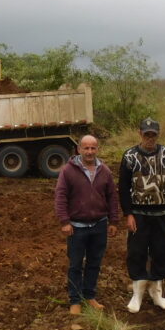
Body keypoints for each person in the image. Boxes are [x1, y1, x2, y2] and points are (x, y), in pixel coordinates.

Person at [119, 117, 165, 313]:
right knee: (136, 253)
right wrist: (128, 213)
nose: (150, 138)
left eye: (153, 134)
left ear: (158, 134)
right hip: (138, 214)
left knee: (162, 252)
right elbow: (123, 187)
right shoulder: (129, 156)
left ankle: (157, 294)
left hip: (163, 213)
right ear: (140, 134)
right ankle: (137, 295)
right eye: (147, 134)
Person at [55, 135, 121, 315]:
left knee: (94, 263)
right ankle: (75, 300)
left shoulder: (104, 171)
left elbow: (112, 197)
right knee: (75, 264)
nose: (90, 152)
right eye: (86, 148)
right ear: (78, 149)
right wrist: (64, 221)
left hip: (99, 225)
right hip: (76, 227)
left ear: (97, 149)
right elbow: (60, 197)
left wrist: (113, 221)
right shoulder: (68, 171)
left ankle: (89, 296)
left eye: (93, 148)